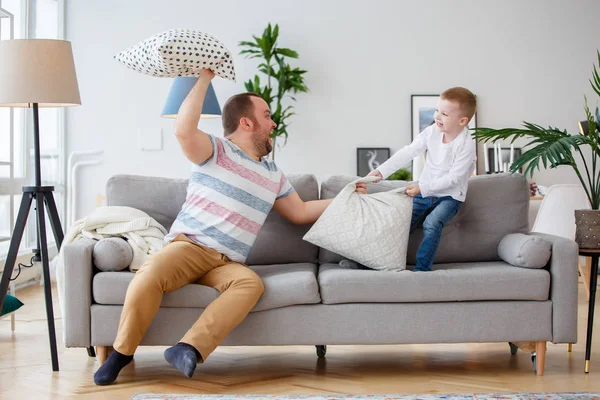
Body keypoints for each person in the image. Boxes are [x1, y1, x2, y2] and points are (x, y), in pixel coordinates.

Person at [94, 69, 333, 385]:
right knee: (149, 276)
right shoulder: (215, 151)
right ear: (246, 123)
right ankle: (122, 353)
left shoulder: (274, 174)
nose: (273, 123)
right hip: (189, 247)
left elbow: (300, 212)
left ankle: (187, 348)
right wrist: (204, 79)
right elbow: (182, 131)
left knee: (250, 285)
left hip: (227, 262)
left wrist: (346, 197)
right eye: (266, 116)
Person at [354, 87, 477, 272]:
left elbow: (454, 178)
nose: (437, 116)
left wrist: (422, 187)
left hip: (450, 197)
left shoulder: (466, 144)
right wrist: (381, 171)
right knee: (400, 223)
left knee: (432, 223)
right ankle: (365, 263)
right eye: (437, 110)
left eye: (444, 114)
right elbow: (408, 152)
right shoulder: (431, 132)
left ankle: (422, 270)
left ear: (462, 121)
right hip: (424, 191)